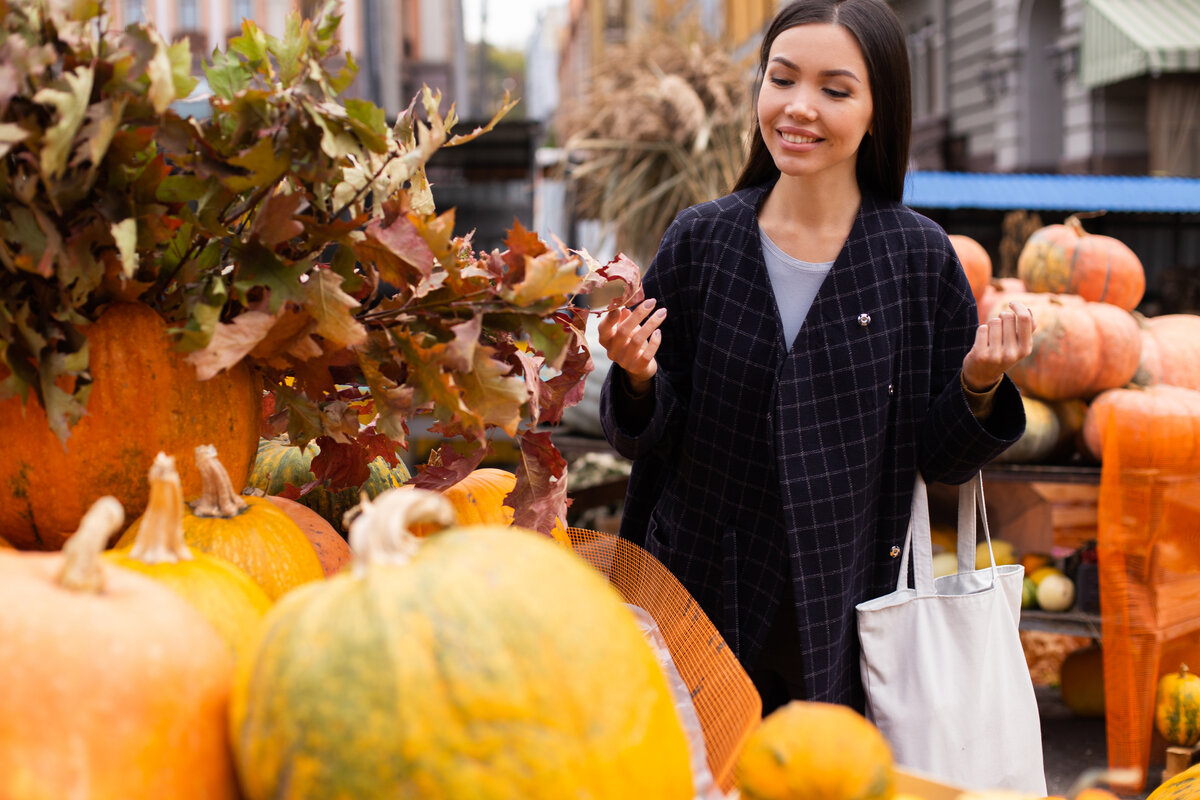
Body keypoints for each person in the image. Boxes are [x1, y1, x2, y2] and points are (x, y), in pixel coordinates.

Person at [597, 0, 1035, 714]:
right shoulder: (701, 241)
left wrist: (979, 385)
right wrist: (638, 376)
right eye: (782, 79)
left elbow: (942, 461)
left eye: (834, 90)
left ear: (877, 111)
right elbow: (643, 440)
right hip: (697, 595)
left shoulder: (917, 259)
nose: (799, 108)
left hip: (847, 611)